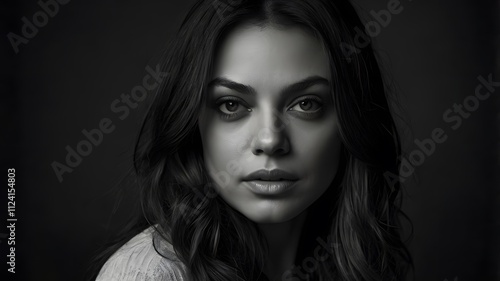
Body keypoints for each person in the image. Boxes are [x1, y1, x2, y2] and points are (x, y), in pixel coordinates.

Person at [89, 0, 413, 280]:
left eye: (306, 104)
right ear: (192, 123)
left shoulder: (347, 261)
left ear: (351, 120)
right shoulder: (147, 275)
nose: (270, 140)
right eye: (231, 105)